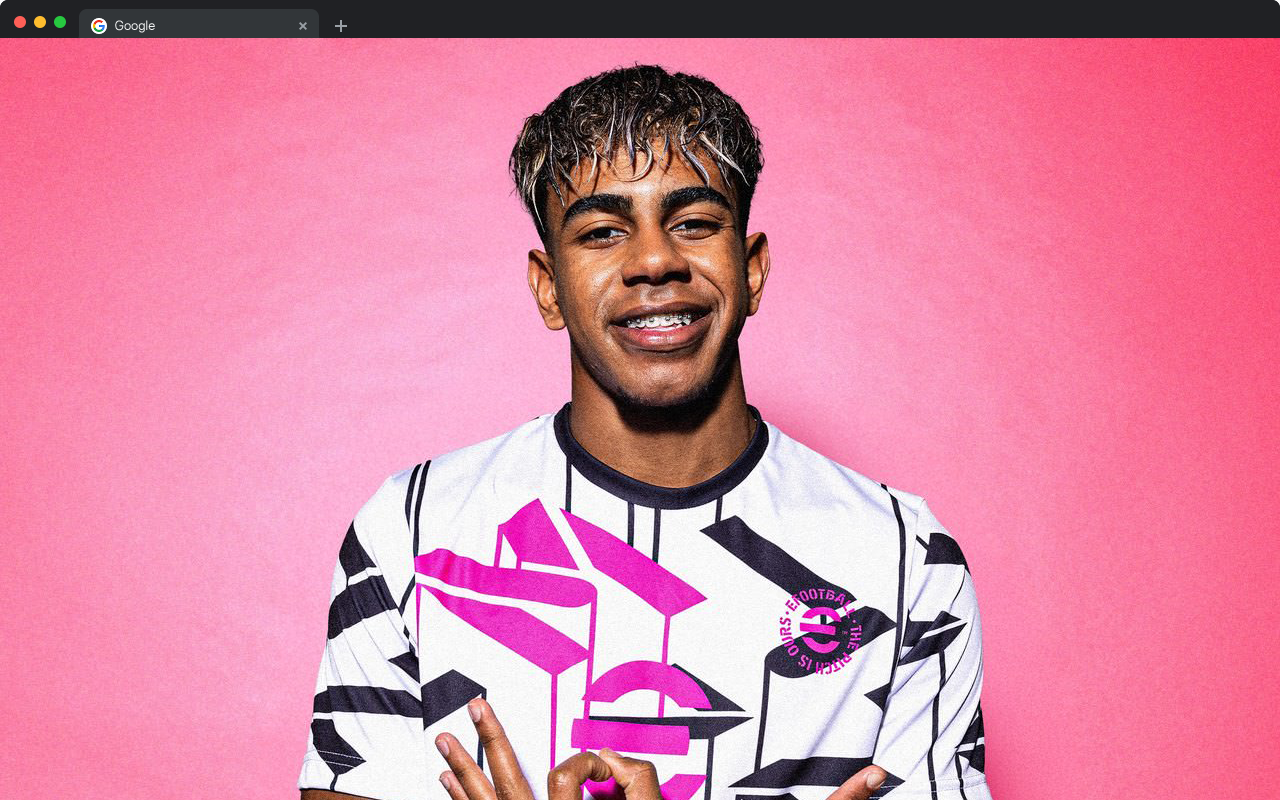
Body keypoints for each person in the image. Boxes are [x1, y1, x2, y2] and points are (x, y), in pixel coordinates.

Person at [299, 64, 992, 800]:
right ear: (549, 288)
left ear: (752, 270)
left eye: (694, 223)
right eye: (603, 231)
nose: (656, 260)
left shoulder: (907, 559)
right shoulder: (410, 528)